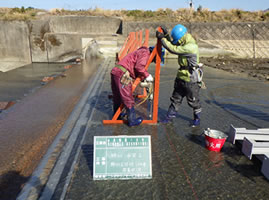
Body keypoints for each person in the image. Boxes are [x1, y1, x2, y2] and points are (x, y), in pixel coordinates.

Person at [156, 24, 202, 126]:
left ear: (181, 38)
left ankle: (197, 119)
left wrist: (162, 39)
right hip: (181, 76)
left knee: (193, 101)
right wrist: (166, 35)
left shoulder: (191, 47)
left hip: (191, 79)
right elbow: (174, 44)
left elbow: (174, 49)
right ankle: (169, 117)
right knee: (175, 98)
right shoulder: (183, 42)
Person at [111, 46, 154, 127]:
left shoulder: (139, 52)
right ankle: (132, 120)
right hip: (123, 74)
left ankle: (117, 116)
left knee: (117, 96)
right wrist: (147, 75)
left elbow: (134, 67)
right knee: (128, 97)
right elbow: (139, 67)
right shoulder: (146, 53)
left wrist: (141, 78)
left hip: (116, 71)